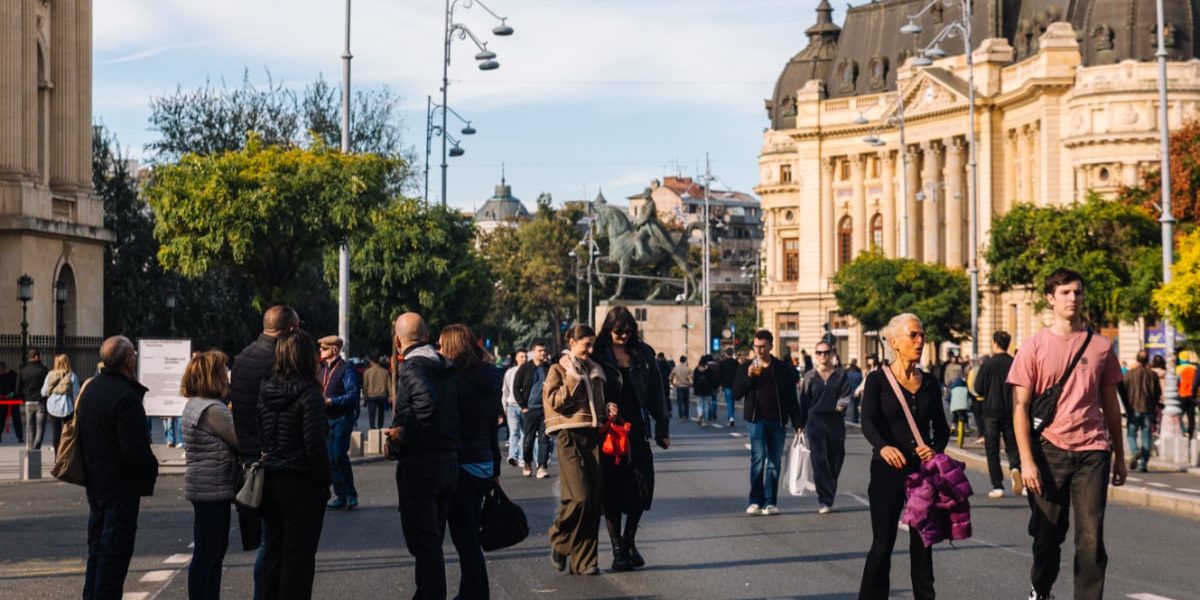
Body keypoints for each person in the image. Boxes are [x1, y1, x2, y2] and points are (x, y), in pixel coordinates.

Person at [1008, 268, 1126, 600]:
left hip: (1093, 451)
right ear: (1050, 299)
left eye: (1077, 292)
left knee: (1090, 538)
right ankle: (1041, 590)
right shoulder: (1032, 347)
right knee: (1048, 536)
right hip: (1048, 451)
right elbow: (1019, 407)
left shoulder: (1101, 346)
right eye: (1065, 293)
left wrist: (1120, 455)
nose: (1073, 298)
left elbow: (1111, 406)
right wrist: (1026, 461)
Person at [858, 314, 949, 600]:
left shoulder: (931, 384)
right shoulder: (877, 380)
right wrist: (883, 447)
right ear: (894, 342)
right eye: (913, 335)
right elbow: (868, 422)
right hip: (887, 471)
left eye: (922, 335)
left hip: (922, 473)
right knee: (883, 544)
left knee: (923, 543)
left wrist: (933, 448)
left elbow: (942, 427)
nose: (920, 341)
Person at [386, 312, 461, 599]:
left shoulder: (414, 367)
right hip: (447, 462)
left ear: (397, 341)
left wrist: (403, 434)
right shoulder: (446, 365)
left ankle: (430, 595)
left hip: (421, 466)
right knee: (432, 538)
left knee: (423, 541)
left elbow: (425, 407)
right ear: (428, 336)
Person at [79, 336, 160, 600]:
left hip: (96, 481)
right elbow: (134, 450)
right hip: (120, 485)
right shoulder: (126, 397)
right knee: (114, 555)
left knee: (97, 550)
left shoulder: (91, 389)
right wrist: (151, 467)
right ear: (128, 359)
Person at [227, 305, 300, 594]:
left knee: (268, 539)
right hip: (275, 457)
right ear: (290, 329)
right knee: (278, 542)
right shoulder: (280, 359)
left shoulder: (244, 357)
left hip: (247, 456)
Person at [592, 306, 670, 571]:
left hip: (636, 428)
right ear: (608, 329)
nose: (623, 336)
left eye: (628, 331)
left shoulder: (643, 354)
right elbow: (575, 365)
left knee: (642, 487)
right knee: (612, 491)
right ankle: (618, 550)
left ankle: (628, 541)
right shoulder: (598, 352)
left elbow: (657, 391)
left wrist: (663, 427)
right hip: (609, 429)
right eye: (618, 331)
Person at [257, 330, 331, 600]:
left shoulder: (265, 389)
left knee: (273, 553)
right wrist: (325, 481)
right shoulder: (309, 393)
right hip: (301, 481)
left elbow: (261, 433)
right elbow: (314, 445)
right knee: (298, 558)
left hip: (271, 478)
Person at [433, 324, 502, 599]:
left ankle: (475, 594)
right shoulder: (490, 377)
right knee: (469, 535)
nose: (438, 349)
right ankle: (470, 592)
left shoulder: (454, 380)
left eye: (440, 345)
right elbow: (491, 427)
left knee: (466, 540)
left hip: (461, 463)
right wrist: (495, 466)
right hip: (484, 461)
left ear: (451, 347)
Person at [544, 324, 607, 576]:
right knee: (578, 497)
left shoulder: (595, 368)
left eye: (593, 344)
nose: (590, 350)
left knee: (592, 503)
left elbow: (598, 403)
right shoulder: (558, 368)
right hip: (569, 436)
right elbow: (556, 401)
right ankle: (559, 541)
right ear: (572, 341)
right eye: (586, 344)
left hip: (594, 437)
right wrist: (572, 376)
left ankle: (585, 561)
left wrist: (608, 409)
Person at [181, 350, 239, 600]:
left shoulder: (195, 403)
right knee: (209, 553)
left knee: (210, 551)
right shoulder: (213, 410)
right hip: (212, 485)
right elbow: (240, 439)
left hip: (205, 483)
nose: (227, 376)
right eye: (223, 371)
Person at [733, 330, 801, 516]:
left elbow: (790, 396)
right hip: (756, 420)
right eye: (756, 347)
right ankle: (755, 500)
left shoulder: (782, 368)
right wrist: (748, 377)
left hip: (778, 421)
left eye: (763, 347)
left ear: (771, 346)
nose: (759, 350)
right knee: (758, 459)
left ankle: (770, 502)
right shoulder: (747, 366)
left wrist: (797, 421)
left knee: (774, 462)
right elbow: (737, 393)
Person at [797, 341, 852, 514]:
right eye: (819, 353)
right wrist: (800, 423)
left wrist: (842, 404)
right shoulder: (810, 376)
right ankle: (824, 499)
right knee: (819, 461)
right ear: (815, 355)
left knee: (836, 459)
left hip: (835, 422)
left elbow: (846, 393)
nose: (823, 356)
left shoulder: (840, 374)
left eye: (826, 352)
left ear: (832, 354)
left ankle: (830, 490)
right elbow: (804, 400)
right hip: (815, 421)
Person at [973, 331, 1022, 499]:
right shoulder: (1013, 362)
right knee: (1013, 445)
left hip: (991, 412)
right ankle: (1016, 469)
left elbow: (978, 387)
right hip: (1011, 410)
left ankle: (997, 486)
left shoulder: (988, 364)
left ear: (995, 343)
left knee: (992, 449)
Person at [318, 335, 361, 510]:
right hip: (327, 419)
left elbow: (352, 395)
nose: (320, 351)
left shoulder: (346, 369)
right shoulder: (323, 370)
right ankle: (340, 495)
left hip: (342, 418)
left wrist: (332, 401)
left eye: (324, 348)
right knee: (330, 458)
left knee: (338, 455)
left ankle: (351, 494)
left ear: (334, 350)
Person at [514, 342, 552, 478]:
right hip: (530, 409)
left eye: (544, 350)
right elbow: (516, 387)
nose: (543, 353)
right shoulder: (525, 368)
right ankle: (527, 463)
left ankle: (542, 466)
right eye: (540, 350)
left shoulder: (549, 368)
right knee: (529, 439)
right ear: (533, 352)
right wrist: (523, 406)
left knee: (544, 439)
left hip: (546, 410)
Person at [1120, 350, 1160, 473]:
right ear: (1147, 360)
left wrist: (1125, 407)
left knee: (1131, 434)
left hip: (1133, 409)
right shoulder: (1152, 375)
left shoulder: (1129, 374)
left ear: (1137, 360)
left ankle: (1135, 451)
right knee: (1146, 436)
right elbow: (1158, 393)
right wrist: (1153, 406)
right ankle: (1143, 464)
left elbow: (1122, 391)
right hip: (1148, 409)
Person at [41, 353, 80, 452]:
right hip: (67, 406)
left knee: (56, 432)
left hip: (52, 406)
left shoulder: (50, 374)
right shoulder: (72, 375)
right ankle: (67, 454)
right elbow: (76, 393)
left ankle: (56, 457)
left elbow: (44, 392)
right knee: (69, 432)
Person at [17, 349, 49, 450]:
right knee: (40, 428)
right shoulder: (43, 370)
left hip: (28, 401)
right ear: (37, 356)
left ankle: (30, 449)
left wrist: (24, 399)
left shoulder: (23, 370)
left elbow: (17, 389)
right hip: (40, 401)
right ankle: (36, 447)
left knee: (30, 427)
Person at [501, 349, 527, 467]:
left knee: (524, 433)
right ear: (516, 358)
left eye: (525, 357)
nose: (524, 359)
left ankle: (521, 458)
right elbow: (505, 390)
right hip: (512, 405)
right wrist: (504, 407)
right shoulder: (510, 372)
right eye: (521, 357)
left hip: (525, 407)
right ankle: (512, 456)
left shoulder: (529, 371)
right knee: (514, 432)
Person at [363, 355, 392, 431]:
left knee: (372, 414)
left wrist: (365, 396)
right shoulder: (385, 371)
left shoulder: (367, 372)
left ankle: (372, 428)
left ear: (371, 361)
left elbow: (365, 385)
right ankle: (380, 427)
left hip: (371, 395)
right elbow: (389, 385)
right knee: (381, 413)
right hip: (382, 395)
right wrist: (391, 396)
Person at [692, 355, 717, 427]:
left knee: (699, 404)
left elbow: (694, 380)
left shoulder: (696, 369)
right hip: (707, 389)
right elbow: (712, 380)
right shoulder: (709, 370)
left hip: (698, 389)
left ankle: (700, 415)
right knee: (706, 404)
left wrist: (694, 387)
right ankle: (704, 420)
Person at [0, 360, 21, 444]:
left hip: (13, 401)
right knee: (0, 419)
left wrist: (11, 395)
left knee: (17, 419)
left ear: (4, 368)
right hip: (2, 402)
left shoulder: (14, 375)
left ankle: (20, 436)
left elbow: (17, 388)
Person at [717, 348, 739, 427]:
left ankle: (731, 418)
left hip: (726, 385)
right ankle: (731, 417)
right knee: (732, 402)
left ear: (726, 354)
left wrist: (719, 384)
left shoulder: (722, 363)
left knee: (729, 402)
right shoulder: (735, 362)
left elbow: (719, 374)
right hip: (735, 384)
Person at [1178, 352, 1197, 439]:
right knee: (1191, 416)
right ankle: (1190, 432)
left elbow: (1177, 381)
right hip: (1193, 395)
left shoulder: (1178, 369)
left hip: (1182, 394)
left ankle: (1183, 431)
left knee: (1179, 415)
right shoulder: (1194, 368)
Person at [670, 356, 692, 423]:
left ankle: (681, 415)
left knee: (680, 402)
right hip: (686, 386)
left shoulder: (676, 368)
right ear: (685, 360)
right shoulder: (688, 368)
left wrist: (673, 383)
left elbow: (670, 376)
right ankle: (686, 415)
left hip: (679, 386)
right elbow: (691, 378)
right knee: (686, 402)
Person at [844, 357, 864, 424]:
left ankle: (851, 418)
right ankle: (855, 418)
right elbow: (861, 380)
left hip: (849, 390)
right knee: (855, 405)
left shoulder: (847, 372)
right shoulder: (858, 372)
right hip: (856, 390)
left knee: (849, 405)